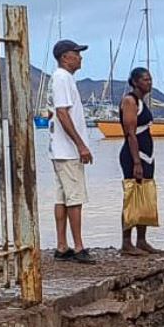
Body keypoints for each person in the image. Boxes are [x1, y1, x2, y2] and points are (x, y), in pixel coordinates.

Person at [49, 39, 95, 264]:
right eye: (77, 53)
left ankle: (62, 245)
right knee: (75, 198)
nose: (80, 57)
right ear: (66, 57)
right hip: (67, 151)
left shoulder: (62, 78)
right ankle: (78, 246)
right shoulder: (62, 78)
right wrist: (81, 145)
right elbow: (62, 113)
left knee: (63, 198)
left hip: (60, 150)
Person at [118, 67, 159, 256]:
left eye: (150, 79)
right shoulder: (130, 101)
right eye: (145, 79)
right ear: (135, 82)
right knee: (132, 195)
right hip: (134, 155)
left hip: (147, 155)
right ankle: (126, 241)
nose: (149, 82)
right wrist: (136, 162)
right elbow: (130, 133)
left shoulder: (142, 101)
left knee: (145, 195)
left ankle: (141, 240)